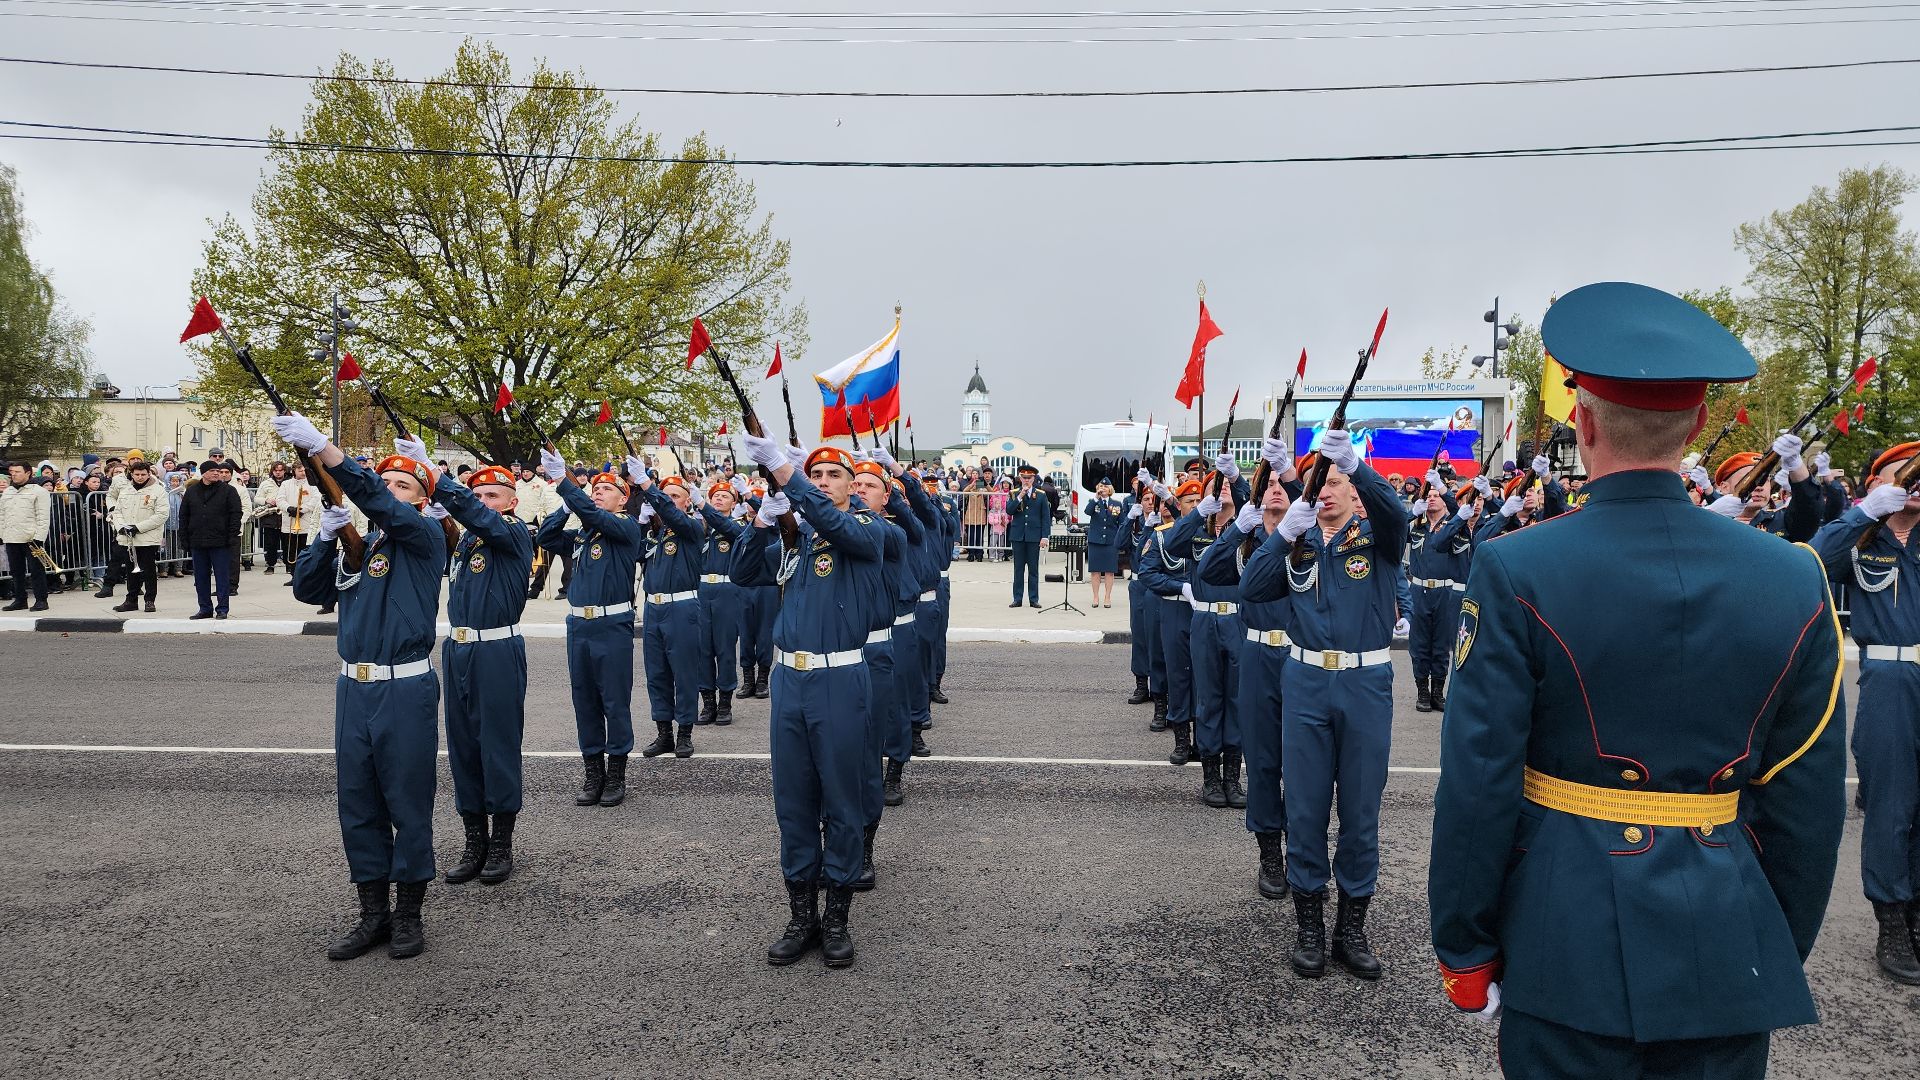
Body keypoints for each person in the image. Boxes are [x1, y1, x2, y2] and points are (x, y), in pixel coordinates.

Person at [1431, 281, 1846, 1077]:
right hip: (1728, 943)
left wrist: (1466, 943)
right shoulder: (1794, 578)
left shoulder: (1518, 566)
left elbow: (1479, 781)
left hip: (1565, 937)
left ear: (1582, 423)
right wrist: (1764, 941)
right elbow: (1805, 796)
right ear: (1695, 425)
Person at [1242, 425, 1409, 982]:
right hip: (1307, 684)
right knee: (1307, 808)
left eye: (1339, 480)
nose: (1330, 489)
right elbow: (1252, 590)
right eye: (1323, 481)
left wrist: (1357, 464)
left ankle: (1351, 928)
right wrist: (1281, 532)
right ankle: (1310, 925)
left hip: (1365, 685)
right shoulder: (1299, 541)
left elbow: (1398, 518)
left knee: (1361, 813)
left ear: (1355, 490)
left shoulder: (1378, 539)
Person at [278, 413, 447, 961]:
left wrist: (326, 449)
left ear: (419, 500)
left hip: (405, 689)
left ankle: (408, 914)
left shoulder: (422, 538)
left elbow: (376, 499)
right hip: (354, 690)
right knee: (358, 802)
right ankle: (372, 912)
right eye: (389, 481)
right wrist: (324, 536)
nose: (393, 490)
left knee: (407, 800)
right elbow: (308, 590)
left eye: (405, 485)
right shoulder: (363, 547)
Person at [732, 438, 887, 969]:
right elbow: (744, 575)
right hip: (788, 683)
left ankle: (838, 915)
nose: (821, 483)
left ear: (851, 486)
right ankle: (802, 915)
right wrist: (761, 522)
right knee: (793, 801)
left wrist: (786, 473)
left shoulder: (868, 530)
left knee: (841, 800)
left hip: (839, 680)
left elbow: (839, 525)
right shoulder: (797, 540)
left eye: (831, 476)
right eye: (814, 475)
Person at [1813, 441, 1920, 985]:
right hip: (1889, 680)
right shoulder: (1862, 538)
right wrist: (1863, 513)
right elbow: (1811, 559)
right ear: (1879, 480)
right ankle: (1892, 918)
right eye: (1903, 475)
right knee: (1892, 800)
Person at [423, 458, 532, 887]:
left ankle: (502, 841)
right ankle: (474, 840)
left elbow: (476, 515)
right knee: (463, 746)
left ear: (512, 501)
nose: (484, 501)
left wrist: (433, 472)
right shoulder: (468, 540)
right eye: (480, 494)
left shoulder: (514, 532)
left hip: (497, 650)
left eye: (493, 495)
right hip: (458, 649)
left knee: (498, 745)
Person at [1200, 442, 1301, 898]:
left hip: (1301, 658)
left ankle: (1301, 848)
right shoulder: (1246, 543)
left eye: (1283, 484)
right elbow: (1207, 571)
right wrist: (1232, 531)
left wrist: (1295, 482)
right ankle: (1269, 853)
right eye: (1269, 485)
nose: (1276, 490)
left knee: (1304, 763)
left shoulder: (1311, 536)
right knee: (1263, 759)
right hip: (1259, 656)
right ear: (1257, 497)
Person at [536, 450, 645, 806]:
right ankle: (593, 770)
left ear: (623, 497)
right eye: (594, 487)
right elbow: (548, 538)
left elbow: (596, 515)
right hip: (578, 625)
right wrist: (566, 506)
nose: (598, 491)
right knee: (584, 701)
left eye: (606, 488)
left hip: (611, 624)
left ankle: (616, 772)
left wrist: (568, 488)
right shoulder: (585, 534)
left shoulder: (625, 527)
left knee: (614, 700)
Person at [635, 472, 707, 755]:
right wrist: (642, 523)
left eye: (675, 496)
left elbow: (671, 515)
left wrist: (649, 488)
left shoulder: (692, 526)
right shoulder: (658, 533)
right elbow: (634, 551)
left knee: (684, 672)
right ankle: (663, 732)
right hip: (654, 607)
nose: (667, 501)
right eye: (666, 496)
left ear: (687, 501)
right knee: (657, 673)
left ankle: (685, 732)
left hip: (682, 607)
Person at [1405, 471, 1476, 713]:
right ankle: (1422, 691)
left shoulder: (1454, 525)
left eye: (1437, 495)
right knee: (1419, 644)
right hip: (1419, 590)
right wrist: (1411, 512)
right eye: (1429, 495)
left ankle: (1438, 691)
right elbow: (1392, 530)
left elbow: (1462, 514)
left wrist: (1446, 494)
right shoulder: (1416, 526)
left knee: (1442, 644)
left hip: (1445, 591)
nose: (1433, 498)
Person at [697, 479, 749, 725]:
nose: (718, 499)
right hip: (701, 589)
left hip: (728, 591)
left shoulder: (739, 526)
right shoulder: (700, 527)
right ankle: (708, 702)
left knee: (725, 649)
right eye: (714, 496)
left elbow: (733, 532)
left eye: (724, 496)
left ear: (734, 502)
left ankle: (725, 702)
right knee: (702, 649)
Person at [178, 459, 242, 620]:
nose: (216, 473)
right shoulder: (192, 491)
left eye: (218, 471)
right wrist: (184, 538)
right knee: (200, 578)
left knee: (222, 577)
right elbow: (184, 515)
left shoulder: (228, 491)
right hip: (198, 540)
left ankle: (222, 609)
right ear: (203, 473)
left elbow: (236, 514)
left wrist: (232, 535)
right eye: (212, 470)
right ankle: (205, 608)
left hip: (221, 541)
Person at [1123, 487, 1167, 720]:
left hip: (1159, 585)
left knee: (1158, 640)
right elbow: (1120, 544)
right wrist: (1131, 518)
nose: (1150, 503)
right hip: (1140, 584)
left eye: (1154, 500)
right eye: (1146, 499)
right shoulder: (1137, 523)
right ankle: (1142, 683)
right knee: (1139, 636)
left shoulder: (1163, 525)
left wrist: (1153, 524)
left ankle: (1162, 690)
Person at [106, 458, 170, 613]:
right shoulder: (126, 490)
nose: (140, 477)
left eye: (143, 474)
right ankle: (131, 600)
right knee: (131, 570)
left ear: (149, 474)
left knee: (148, 570)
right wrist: (121, 526)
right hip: (128, 538)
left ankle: (149, 600)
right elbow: (117, 511)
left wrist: (138, 528)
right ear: (132, 474)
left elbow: (161, 515)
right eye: (137, 474)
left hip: (147, 538)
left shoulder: (158, 490)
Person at [1, 460, 52, 611]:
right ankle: (20, 600)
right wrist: (1, 534)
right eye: (12, 472)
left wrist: (39, 537)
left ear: (28, 473)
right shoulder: (8, 491)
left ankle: (41, 600)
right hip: (11, 537)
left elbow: (43, 517)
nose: (13, 475)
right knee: (16, 572)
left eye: (17, 472)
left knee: (37, 571)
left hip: (31, 539)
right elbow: (2, 515)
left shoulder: (39, 491)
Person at [1004, 464, 1051, 606]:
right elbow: (1009, 511)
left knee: (1033, 570)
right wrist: (1020, 496)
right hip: (1018, 536)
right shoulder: (1014, 493)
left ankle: (1033, 599)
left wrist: (1045, 536)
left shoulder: (1041, 495)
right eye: (1023, 477)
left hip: (1033, 536)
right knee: (1018, 569)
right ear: (1020, 478)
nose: (1026, 480)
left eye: (1029, 478)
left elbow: (1045, 517)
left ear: (1034, 478)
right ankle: (1017, 598)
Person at [1084, 478, 1124, 608]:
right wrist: (1096, 497)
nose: (1103, 489)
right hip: (1095, 541)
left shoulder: (1117, 504)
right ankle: (1095, 597)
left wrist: (1120, 538)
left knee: (1109, 571)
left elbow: (1121, 523)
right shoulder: (1094, 502)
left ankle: (1107, 596)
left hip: (1111, 541)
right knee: (1095, 571)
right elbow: (1087, 512)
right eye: (1101, 486)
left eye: (1106, 487)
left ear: (1110, 489)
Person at [255, 461, 288, 575]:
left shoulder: (289, 482)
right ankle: (270, 566)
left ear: (284, 471)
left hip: (285, 517)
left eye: (280, 470)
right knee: (270, 544)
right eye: (276, 470)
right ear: (272, 471)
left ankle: (289, 566)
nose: (278, 473)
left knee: (287, 543)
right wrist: (266, 500)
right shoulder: (265, 483)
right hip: (270, 517)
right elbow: (257, 498)